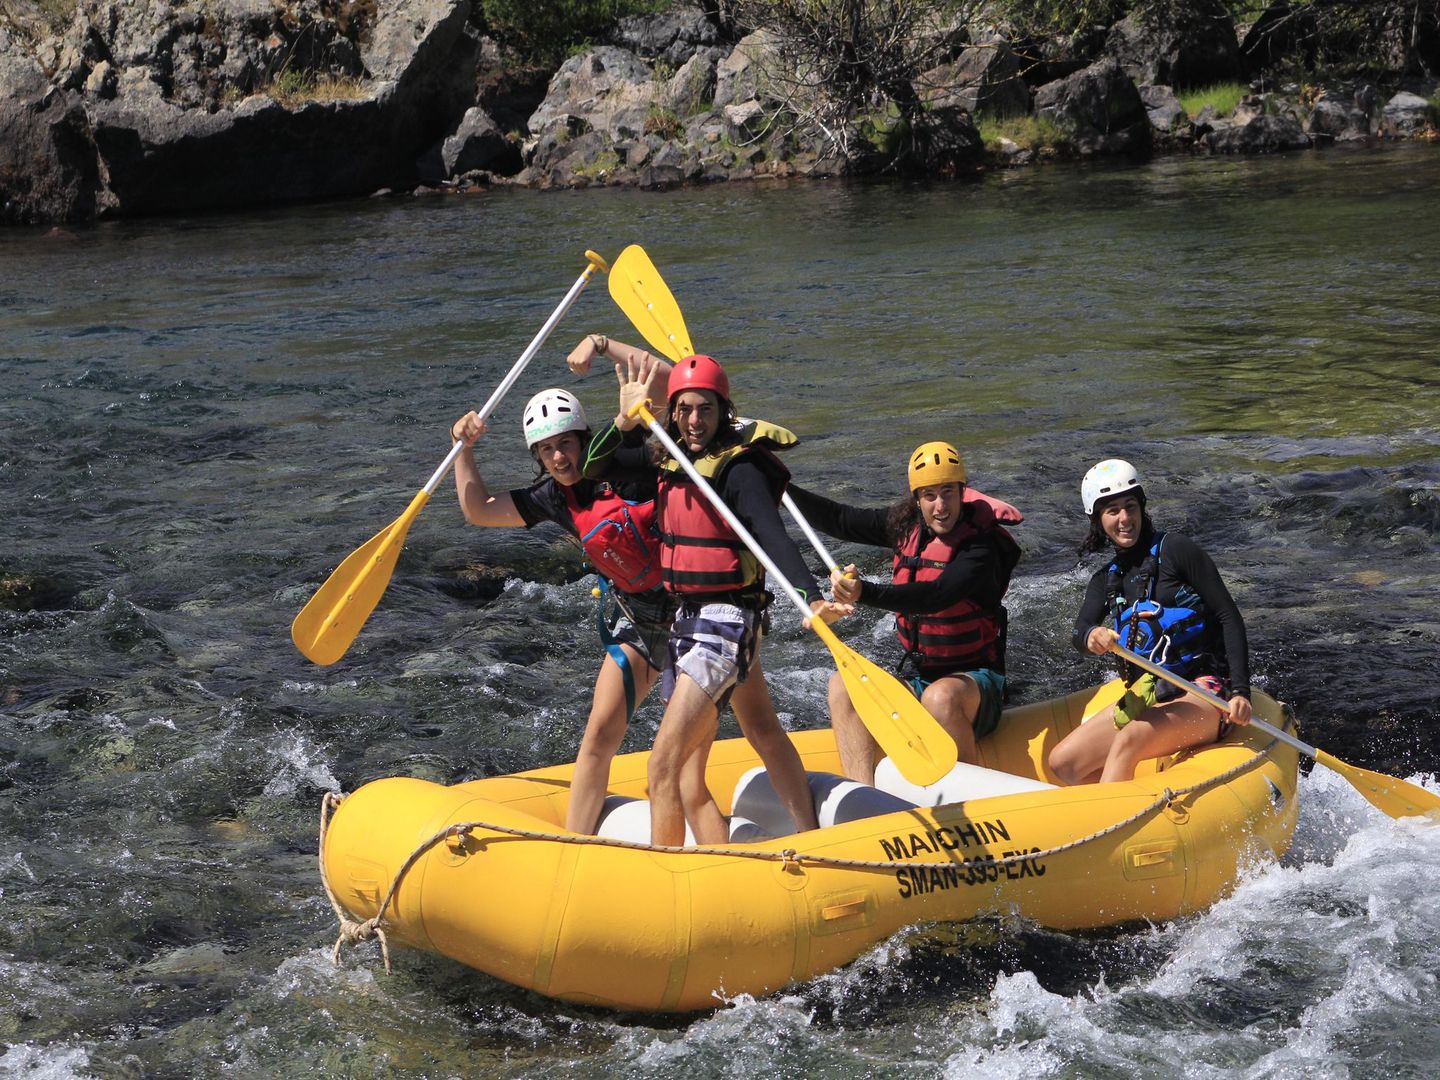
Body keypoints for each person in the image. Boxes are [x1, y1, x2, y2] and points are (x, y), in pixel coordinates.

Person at [597, 346, 850, 846]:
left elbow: (772, 536)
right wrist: (623, 422)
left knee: (663, 766)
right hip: (687, 622)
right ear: (672, 411)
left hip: (726, 624)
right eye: (685, 409)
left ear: (723, 411)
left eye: (705, 409)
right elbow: (594, 467)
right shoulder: (666, 457)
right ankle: (810, 837)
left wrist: (811, 596)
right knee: (761, 729)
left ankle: (669, 876)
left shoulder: (740, 471)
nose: (694, 421)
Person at [449, 364, 674, 835]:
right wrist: (463, 447)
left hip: (693, 607)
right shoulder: (551, 497)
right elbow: (478, 510)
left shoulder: (626, 462)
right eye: (546, 449)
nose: (558, 457)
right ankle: (576, 843)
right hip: (639, 618)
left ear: (584, 439)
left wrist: (606, 352)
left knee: (690, 742)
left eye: (566, 443)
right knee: (598, 735)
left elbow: (668, 394)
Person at [786, 442, 1022, 783]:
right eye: (929, 495)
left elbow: (936, 596)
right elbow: (840, 520)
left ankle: (968, 792)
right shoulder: (905, 526)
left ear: (962, 492)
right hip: (920, 679)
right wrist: (779, 487)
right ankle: (863, 797)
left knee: (940, 698)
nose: (940, 506)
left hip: (977, 685)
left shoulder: (980, 547)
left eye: (948, 492)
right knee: (842, 686)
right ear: (917, 499)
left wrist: (865, 591)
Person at [1047, 458, 1253, 785]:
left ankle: (1116, 815)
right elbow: (1079, 631)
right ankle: (1112, 804)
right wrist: (1092, 635)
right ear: (1098, 520)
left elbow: (1228, 616)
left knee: (1129, 740)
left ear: (1141, 507)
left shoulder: (1177, 550)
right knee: (1063, 762)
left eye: (1130, 506)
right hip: (1152, 691)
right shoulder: (1105, 580)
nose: (1124, 518)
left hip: (1208, 689)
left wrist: (1241, 691)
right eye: (1112, 511)